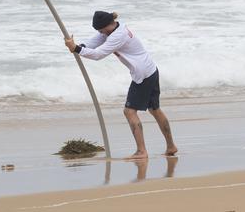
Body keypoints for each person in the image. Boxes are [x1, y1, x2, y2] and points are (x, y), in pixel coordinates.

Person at [65, 11, 178, 159]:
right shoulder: (113, 29)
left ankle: (141, 151)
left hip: (142, 74)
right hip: (151, 70)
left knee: (129, 111)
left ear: (107, 26)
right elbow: (93, 43)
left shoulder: (119, 35)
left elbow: (98, 54)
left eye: (101, 30)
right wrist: (78, 46)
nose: (100, 33)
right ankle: (171, 146)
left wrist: (77, 49)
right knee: (154, 109)